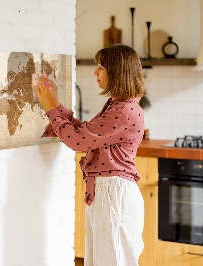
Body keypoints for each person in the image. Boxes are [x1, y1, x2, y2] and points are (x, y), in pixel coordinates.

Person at [34, 44, 146, 266]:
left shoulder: (123, 111)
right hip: (109, 193)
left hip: (114, 195)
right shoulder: (119, 106)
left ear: (117, 72)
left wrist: (49, 108)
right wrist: (55, 103)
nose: (95, 72)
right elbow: (85, 133)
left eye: (101, 67)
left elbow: (77, 141)